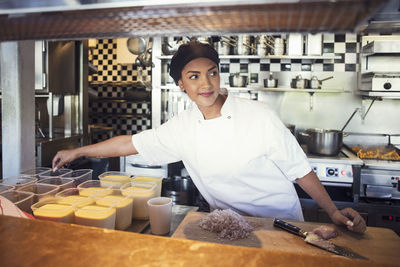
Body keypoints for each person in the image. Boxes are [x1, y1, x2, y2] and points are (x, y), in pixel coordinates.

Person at [53, 41, 366, 233]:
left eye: (212, 72)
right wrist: (79, 151)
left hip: (280, 225)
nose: (206, 83)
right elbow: (129, 143)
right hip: (227, 225)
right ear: (181, 85)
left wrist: (333, 211)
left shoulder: (258, 115)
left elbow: (300, 170)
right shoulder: (183, 126)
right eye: (194, 76)